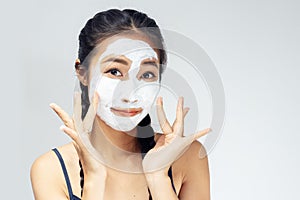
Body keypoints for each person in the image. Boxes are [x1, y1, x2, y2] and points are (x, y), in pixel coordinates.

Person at [30, 8, 211, 200]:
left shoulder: (187, 157)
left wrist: (158, 178)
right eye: (115, 71)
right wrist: (95, 176)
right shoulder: (51, 169)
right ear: (82, 73)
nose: (130, 94)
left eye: (146, 75)